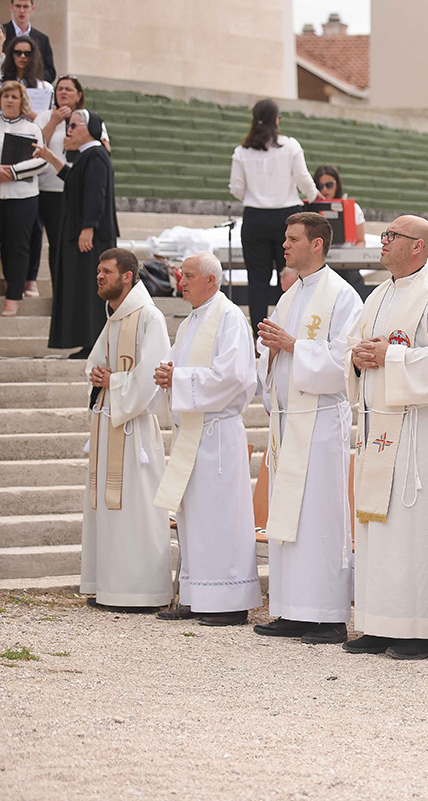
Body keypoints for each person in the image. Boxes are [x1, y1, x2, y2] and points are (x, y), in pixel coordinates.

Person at [342, 215, 428, 659]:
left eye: (392, 236)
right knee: (379, 530)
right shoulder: (377, 294)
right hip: (378, 427)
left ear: (418, 247)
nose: (384, 241)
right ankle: (378, 622)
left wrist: (390, 356)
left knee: (414, 531)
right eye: (385, 235)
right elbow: (355, 348)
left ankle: (419, 629)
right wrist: (355, 358)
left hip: (417, 434)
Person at [253, 212, 362, 645]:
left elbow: (344, 363)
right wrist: (272, 352)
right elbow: (277, 353)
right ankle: (292, 610)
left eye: (292, 238)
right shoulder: (290, 295)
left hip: (319, 423)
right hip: (288, 421)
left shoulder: (342, 296)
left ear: (316, 244)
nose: (284, 245)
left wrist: (293, 346)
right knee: (289, 517)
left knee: (320, 516)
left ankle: (327, 615)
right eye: (285, 238)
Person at [150, 251, 260, 626]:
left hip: (217, 435)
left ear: (212, 280)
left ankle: (228, 601)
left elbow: (234, 376)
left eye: (189, 276)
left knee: (221, 518)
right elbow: (174, 364)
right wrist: (166, 374)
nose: (181, 282)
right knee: (193, 516)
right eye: (182, 275)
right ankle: (198, 596)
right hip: (192, 433)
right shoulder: (191, 321)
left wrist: (177, 379)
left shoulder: (229, 318)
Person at [81, 248, 171, 610]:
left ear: (127, 277)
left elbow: (152, 378)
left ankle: (140, 591)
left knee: (136, 511)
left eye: (106, 272)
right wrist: (100, 377)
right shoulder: (114, 318)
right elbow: (95, 365)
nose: (99, 277)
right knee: (107, 509)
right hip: (108, 424)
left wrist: (113, 382)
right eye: (98, 271)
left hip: (134, 432)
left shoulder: (149, 317)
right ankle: (110, 588)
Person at [229, 98, 319, 332]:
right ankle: (289, 331)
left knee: (257, 281)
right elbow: (303, 177)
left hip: (255, 218)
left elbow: (236, 188)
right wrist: (313, 195)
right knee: (292, 276)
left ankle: (259, 338)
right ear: (277, 120)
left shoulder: (241, 151)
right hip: (288, 217)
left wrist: (256, 198)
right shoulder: (290, 146)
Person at [34, 108, 115, 357]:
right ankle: (87, 342)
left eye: (73, 126)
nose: (68, 131)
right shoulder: (86, 157)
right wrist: (50, 157)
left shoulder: (96, 156)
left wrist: (88, 228)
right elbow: (74, 179)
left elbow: (95, 195)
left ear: (89, 130)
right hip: (82, 233)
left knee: (91, 289)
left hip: (90, 237)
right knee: (82, 287)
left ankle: (92, 344)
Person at [29, 75, 109, 300]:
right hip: (49, 188)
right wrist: (53, 124)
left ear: (79, 94)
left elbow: (96, 186)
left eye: (69, 89)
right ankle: (60, 293)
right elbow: (33, 147)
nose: (63, 92)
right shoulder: (46, 117)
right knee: (57, 245)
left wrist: (88, 226)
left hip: (78, 198)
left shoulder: (91, 134)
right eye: (59, 89)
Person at [0, 80, 45, 317]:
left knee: (17, 247)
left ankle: (13, 297)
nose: (9, 100)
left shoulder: (32, 128)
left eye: (14, 96)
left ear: (22, 101)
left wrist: (12, 172)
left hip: (22, 197)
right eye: (5, 95)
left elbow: (41, 159)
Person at [311, 164, 367, 297]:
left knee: (355, 283)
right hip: (319, 262)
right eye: (320, 186)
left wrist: (349, 255)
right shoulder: (310, 210)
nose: (324, 189)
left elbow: (360, 241)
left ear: (337, 184)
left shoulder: (353, 208)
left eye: (329, 185)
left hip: (345, 264)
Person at [2, 1, 55, 83]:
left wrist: (31, 78)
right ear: (11, 7)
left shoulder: (42, 39)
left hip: (33, 88)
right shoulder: (1, 34)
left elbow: (50, 72)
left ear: (32, 8)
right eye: (18, 6)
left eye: (26, 7)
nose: (22, 11)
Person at [1, 35, 50, 102]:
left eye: (27, 53)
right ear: (11, 55)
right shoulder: (1, 84)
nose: (22, 56)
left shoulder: (45, 88)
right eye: (18, 53)